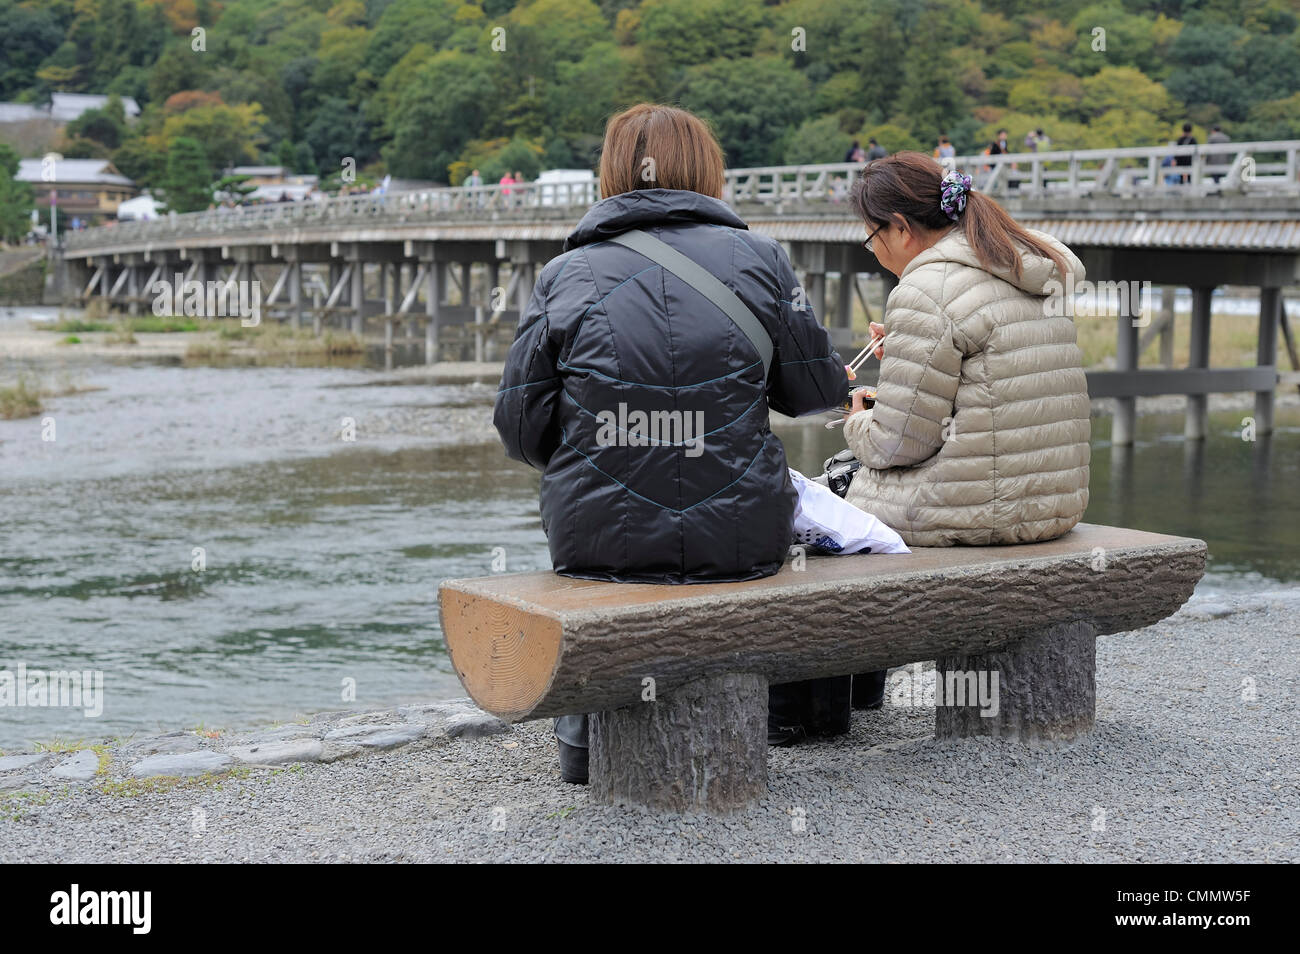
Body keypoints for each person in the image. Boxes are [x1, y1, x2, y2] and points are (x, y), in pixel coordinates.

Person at [493, 103, 849, 783]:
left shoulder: (566, 274)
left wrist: (593, 461)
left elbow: (518, 428)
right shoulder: (763, 260)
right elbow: (814, 395)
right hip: (741, 537)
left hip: (597, 537)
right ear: (706, 169)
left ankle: (583, 751)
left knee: (601, 578)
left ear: (612, 172)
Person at [840, 152, 1089, 549]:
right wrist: (910, 343)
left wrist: (857, 420)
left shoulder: (925, 290)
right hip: (1054, 505)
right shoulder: (1019, 265)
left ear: (901, 228)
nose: (877, 252)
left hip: (972, 512)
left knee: (830, 487)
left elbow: (897, 444)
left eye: (873, 240)